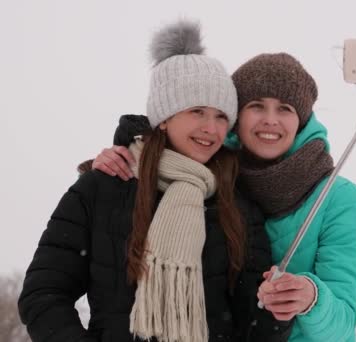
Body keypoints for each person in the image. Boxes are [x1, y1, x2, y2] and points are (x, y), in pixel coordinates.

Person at [18, 20, 291, 342]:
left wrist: (276, 307)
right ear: (164, 118)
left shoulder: (236, 202)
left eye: (221, 116)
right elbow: (44, 294)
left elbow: (255, 327)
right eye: (197, 111)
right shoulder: (102, 187)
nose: (211, 127)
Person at [95, 52, 356, 341]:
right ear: (237, 116)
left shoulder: (338, 197)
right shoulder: (208, 175)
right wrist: (127, 156)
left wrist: (313, 299)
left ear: (300, 120)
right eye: (257, 106)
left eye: (285, 108)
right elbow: (164, 149)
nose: (270, 120)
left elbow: (343, 324)